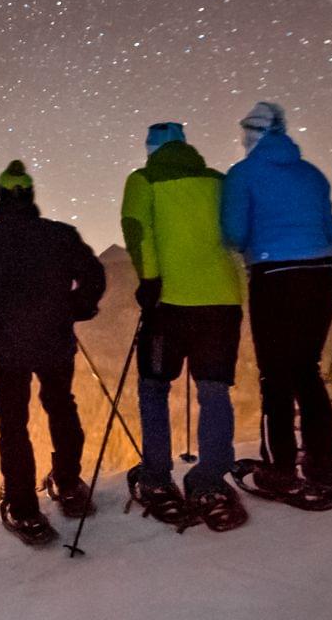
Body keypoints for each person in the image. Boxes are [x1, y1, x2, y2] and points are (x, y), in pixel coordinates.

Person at [0, 161, 106, 544]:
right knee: (62, 406)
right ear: (31, 197)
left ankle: (23, 509)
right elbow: (94, 275)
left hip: (4, 346)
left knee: (12, 425)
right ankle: (68, 485)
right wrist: (76, 308)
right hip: (54, 339)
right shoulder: (60, 235)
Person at [222, 102, 332, 502]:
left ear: (252, 134)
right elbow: (329, 228)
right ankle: (323, 461)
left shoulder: (242, 175)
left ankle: (280, 468)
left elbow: (234, 232)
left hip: (275, 277)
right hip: (323, 275)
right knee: (306, 368)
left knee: (275, 373)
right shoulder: (312, 174)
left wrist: (251, 248)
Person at [120, 122, 248, 531]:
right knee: (213, 390)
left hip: (169, 305)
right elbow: (236, 233)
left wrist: (150, 280)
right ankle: (209, 482)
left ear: (152, 149)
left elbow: (137, 230)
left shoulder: (143, 180)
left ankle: (157, 477)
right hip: (222, 302)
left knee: (154, 387)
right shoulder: (218, 180)